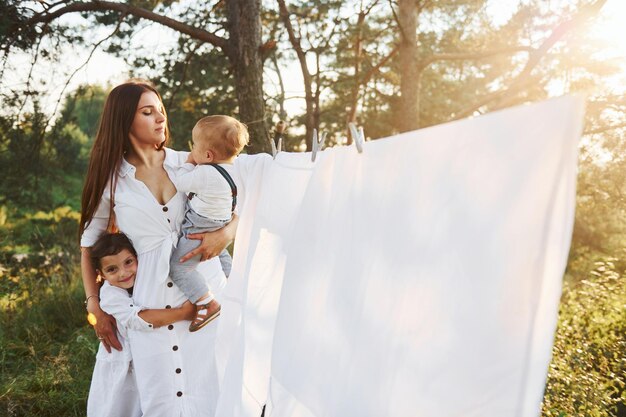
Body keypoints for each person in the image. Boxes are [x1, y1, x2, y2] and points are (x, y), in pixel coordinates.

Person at [80, 80, 238, 416]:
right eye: (147, 112)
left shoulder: (191, 162)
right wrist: (96, 308)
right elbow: (88, 246)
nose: (160, 118)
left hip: (207, 295)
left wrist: (225, 235)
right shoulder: (111, 180)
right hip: (153, 302)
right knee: (163, 397)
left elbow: (243, 202)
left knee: (216, 388)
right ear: (125, 121)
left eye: (161, 111)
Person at [87, 232, 196, 417]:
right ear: (101, 274)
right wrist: (184, 313)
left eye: (128, 262)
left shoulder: (145, 285)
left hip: (143, 362)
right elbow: (136, 319)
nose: (123, 273)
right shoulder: (109, 295)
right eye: (112, 269)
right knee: (118, 407)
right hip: (121, 362)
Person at [169, 115, 249, 332]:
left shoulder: (204, 172)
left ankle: (207, 303)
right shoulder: (236, 170)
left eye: (195, 147)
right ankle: (236, 285)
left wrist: (187, 165)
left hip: (200, 226)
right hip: (221, 222)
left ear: (207, 155)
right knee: (221, 254)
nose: (192, 151)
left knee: (179, 268)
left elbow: (180, 183)